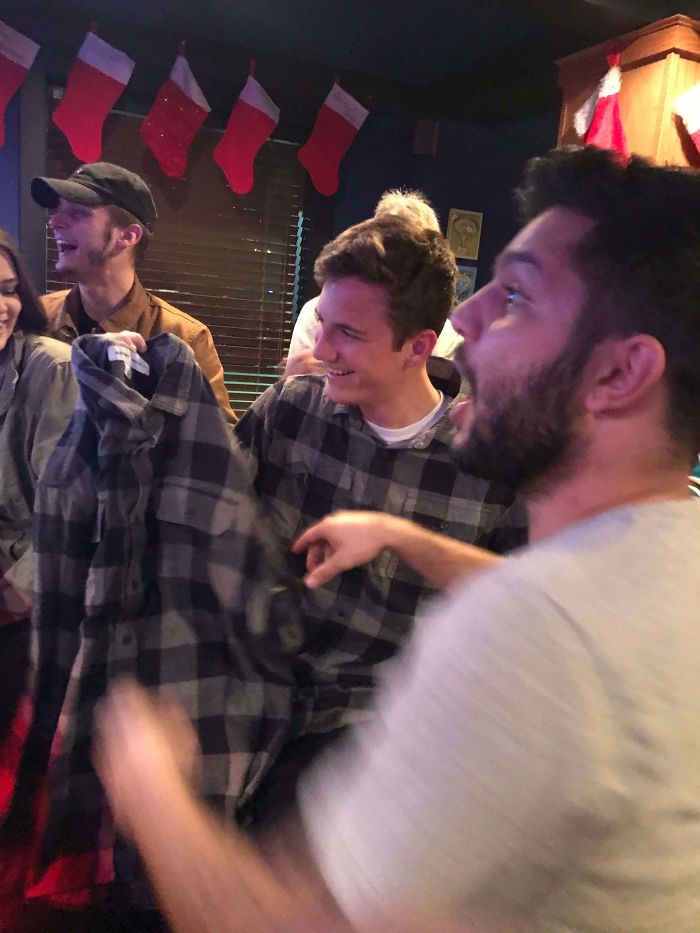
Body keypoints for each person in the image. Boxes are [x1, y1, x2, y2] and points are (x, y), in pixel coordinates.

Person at [95, 146, 700, 932]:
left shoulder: (530, 631)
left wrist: (147, 782)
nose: (468, 320)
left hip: (350, 714)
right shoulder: (658, 564)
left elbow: (276, 920)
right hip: (270, 677)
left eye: (516, 294)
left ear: (619, 375)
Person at [231, 195, 525, 823]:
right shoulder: (291, 409)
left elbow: (530, 605)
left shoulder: (489, 465)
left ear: (417, 347)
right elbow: (205, 509)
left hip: (376, 723)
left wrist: (403, 539)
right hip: (254, 679)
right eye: (322, 323)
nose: (322, 349)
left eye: (349, 334)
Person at [31, 161, 237, 422]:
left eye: (78, 213)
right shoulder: (35, 318)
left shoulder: (185, 337)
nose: (55, 221)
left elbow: (217, 438)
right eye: (57, 211)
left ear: (128, 236)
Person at [0, 230, 77, 739]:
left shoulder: (53, 367)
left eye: (8, 290)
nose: (1, 306)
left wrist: (12, 597)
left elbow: (67, 514)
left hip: (27, 598)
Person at [284, 189, 462, 377]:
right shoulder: (316, 313)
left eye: (349, 333)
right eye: (388, 242)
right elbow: (298, 380)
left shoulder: (451, 339)